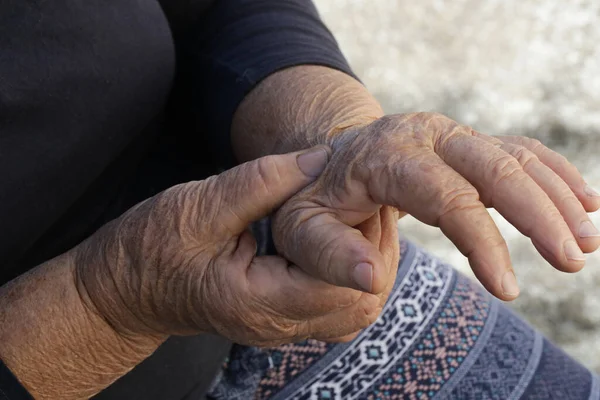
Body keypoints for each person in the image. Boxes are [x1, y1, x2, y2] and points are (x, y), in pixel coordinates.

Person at [0, 0, 598, 399]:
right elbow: (117, 297)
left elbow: (224, 7)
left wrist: (337, 136)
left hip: (265, 268)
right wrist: (105, 304)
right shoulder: (126, 291)